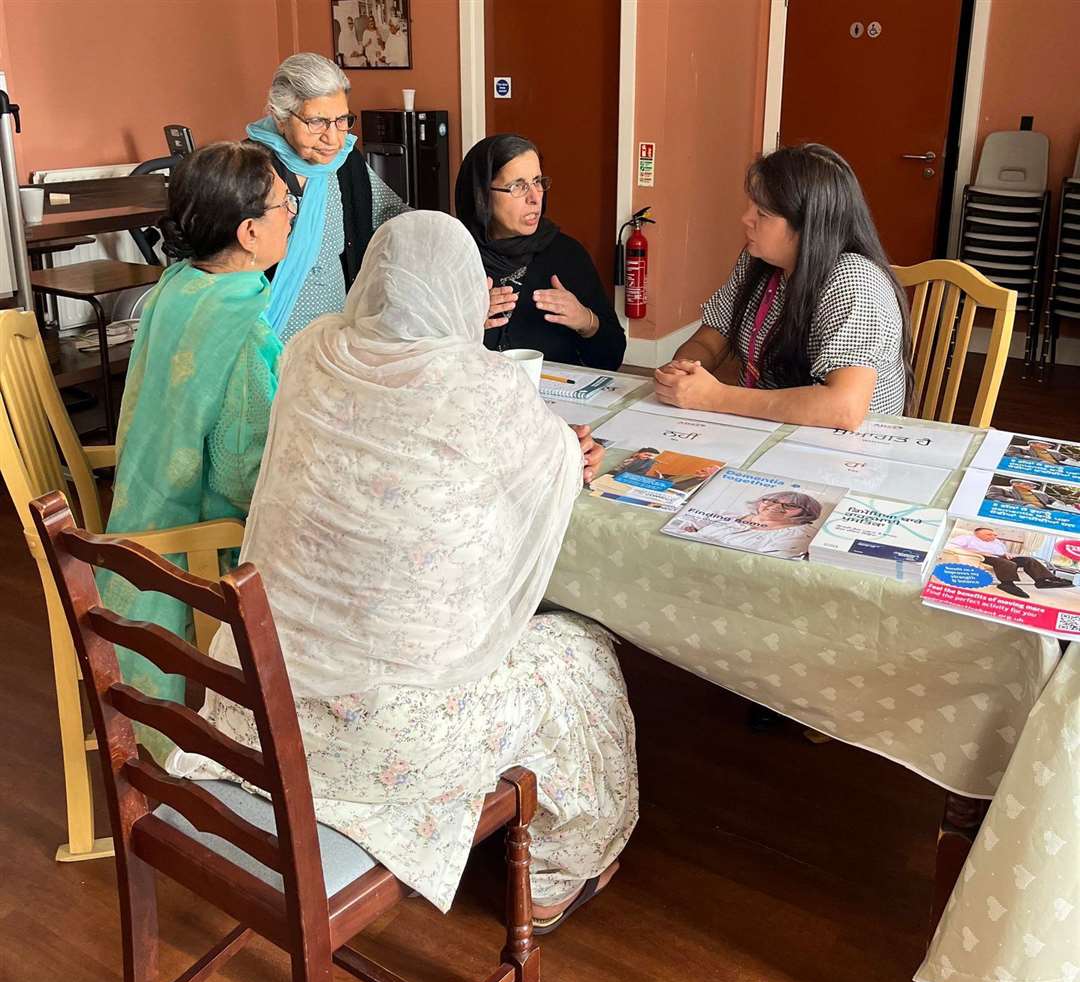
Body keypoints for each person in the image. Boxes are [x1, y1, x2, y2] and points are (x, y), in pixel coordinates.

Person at [168, 212, 638, 931]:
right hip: (384, 737)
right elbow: (548, 477)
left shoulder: (310, 350)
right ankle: (553, 874)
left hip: (257, 698)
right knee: (581, 655)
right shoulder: (486, 385)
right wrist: (566, 456)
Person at [99, 141, 293, 763]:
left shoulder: (176, 287)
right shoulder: (241, 325)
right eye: (285, 206)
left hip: (138, 514)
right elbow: (246, 477)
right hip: (195, 547)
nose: (291, 215)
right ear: (249, 230)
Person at [654, 144, 911, 430]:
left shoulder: (853, 279)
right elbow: (710, 339)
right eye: (751, 204)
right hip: (770, 429)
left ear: (809, 226)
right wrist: (686, 371)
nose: (745, 218)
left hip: (845, 453)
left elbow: (844, 408)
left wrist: (716, 396)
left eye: (762, 214)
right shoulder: (759, 261)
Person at [247, 52, 409, 341]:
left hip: (334, 336)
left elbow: (391, 214)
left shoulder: (345, 161)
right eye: (317, 122)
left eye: (342, 120)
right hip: (268, 336)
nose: (333, 138)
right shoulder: (249, 168)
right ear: (280, 117)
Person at [456, 133, 626, 370]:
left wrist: (586, 321)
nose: (535, 198)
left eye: (537, 182)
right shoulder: (452, 258)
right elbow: (414, 363)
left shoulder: (566, 254)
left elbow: (612, 357)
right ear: (481, 194)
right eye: (518, 186)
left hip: (552, 403)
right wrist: (463, 327)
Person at [680, 491, 823, 559]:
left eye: (790, 505)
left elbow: (763, 561)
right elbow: (679, 525)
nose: (775, 507)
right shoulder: (726, 515)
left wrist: (695, 534)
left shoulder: (803, 535)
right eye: (771, 501)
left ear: (807, 512)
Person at [948, 526, 1073, 599]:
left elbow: (1003, 551)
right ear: (977, 533)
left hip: (1001, 557)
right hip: (981, 557)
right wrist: (975, 551)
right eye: (989, 534)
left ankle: (1043, 580)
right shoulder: (967, 538)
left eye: (993, 534)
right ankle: (1006, 584)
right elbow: (951, 546)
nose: (993, 536)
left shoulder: (996, 542)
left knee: (1029, 560)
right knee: (1008, 564)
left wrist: (1007, 553)